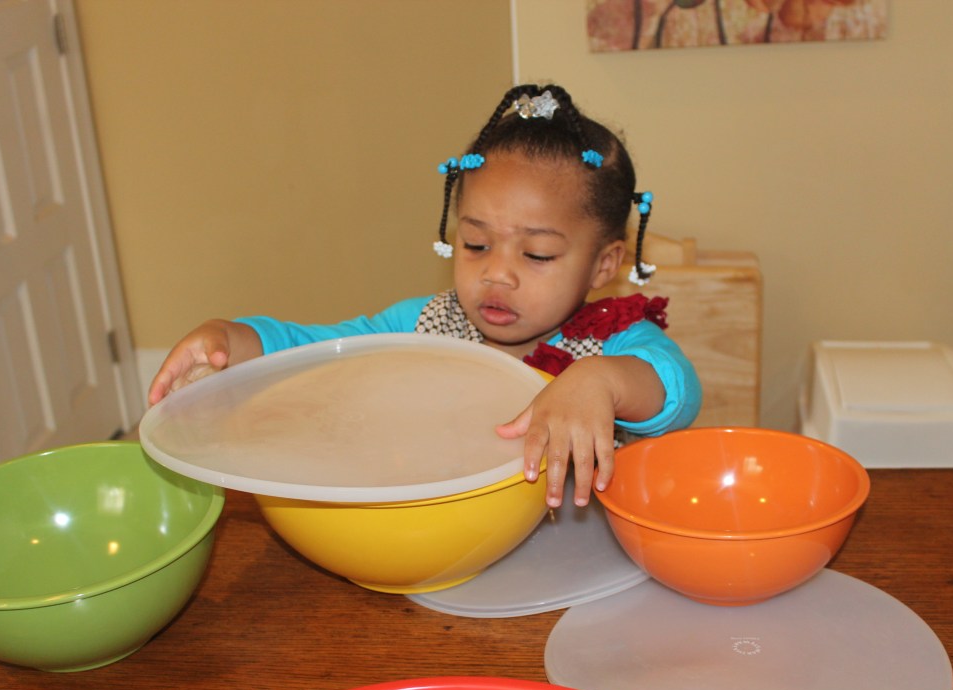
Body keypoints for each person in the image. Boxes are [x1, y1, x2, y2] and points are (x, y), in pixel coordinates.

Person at [147, 83, 701, 508]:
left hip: (573, 553)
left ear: (603, 264)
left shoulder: (614, 342)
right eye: (476, 244)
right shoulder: (425, 324)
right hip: (442, 534)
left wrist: (601, 382)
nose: (497, 274)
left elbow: (678, 393)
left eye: (536, 255)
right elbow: (315, 352)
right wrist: (232, 341)